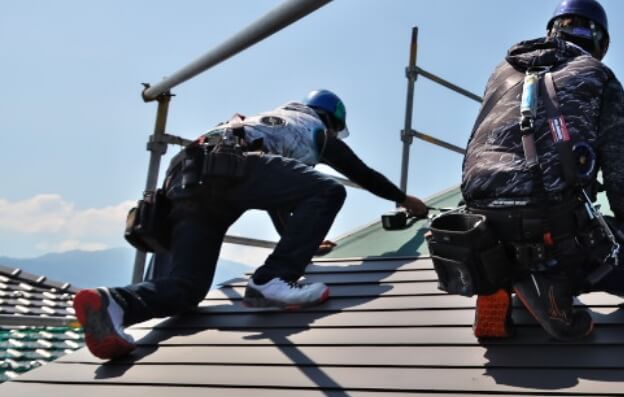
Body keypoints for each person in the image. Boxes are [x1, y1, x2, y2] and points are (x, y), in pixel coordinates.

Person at [74, 90, 429, 359]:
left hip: (186, 180)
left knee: (186, 289)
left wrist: (297, 238)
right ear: (332, 121)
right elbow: (360, 173)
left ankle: (114, 303)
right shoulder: (314, 128)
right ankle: (271, 281)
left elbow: (277, 191)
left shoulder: (269, 122)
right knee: (329, 191)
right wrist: (403, 198)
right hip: (230, 167)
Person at [458, 0, 624, 340]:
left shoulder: (502, 72)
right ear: (600, 42)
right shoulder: (598, 75)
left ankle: (500, 279)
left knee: (522, 237)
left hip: (481, 224)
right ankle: (548, 284)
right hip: (553, 228)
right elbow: (621, 173)